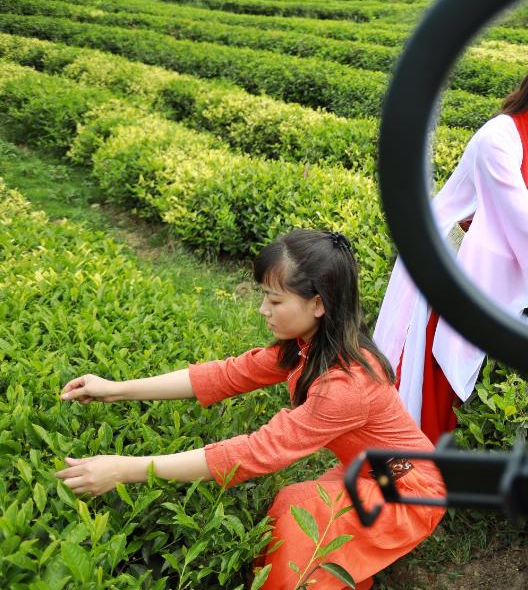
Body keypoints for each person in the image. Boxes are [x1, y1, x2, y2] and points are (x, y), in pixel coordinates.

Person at [56, 230, 445, 590]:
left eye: (275, 300)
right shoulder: (306, 346)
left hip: (408, 487)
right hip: (369, 469)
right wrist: (115, 390)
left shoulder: (347, 383)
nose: (263, 310)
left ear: (318, 304)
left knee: (297, 520)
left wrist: (126, 469)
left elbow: (256, 452)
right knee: (296, 512)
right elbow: (226, 375)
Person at [374, 38, 528, 444]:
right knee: (428, 376)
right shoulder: (499, 138)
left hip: (476, 265)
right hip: (446, 265)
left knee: (446, 382)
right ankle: (409, 466)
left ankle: (428, 472)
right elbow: (520, 221)